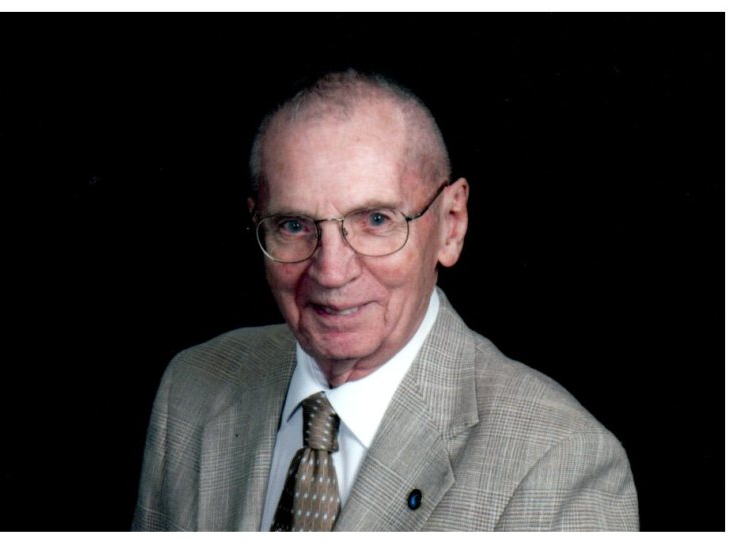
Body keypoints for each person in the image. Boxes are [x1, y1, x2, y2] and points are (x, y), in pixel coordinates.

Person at [132, 70, 639, 531]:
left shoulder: (559, 463)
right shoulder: (192, 388)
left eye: (376, 221)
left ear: (451, 225)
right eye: (294, 225)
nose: (332, 272)